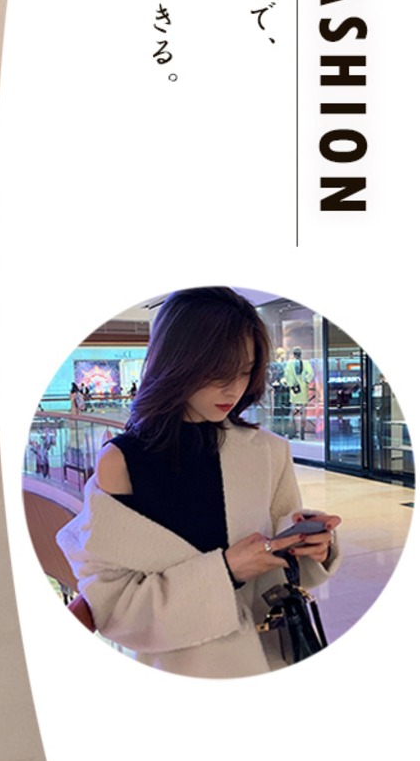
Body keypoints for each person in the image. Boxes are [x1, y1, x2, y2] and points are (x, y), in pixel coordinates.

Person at [56, 287, 340, 678]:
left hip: (272, 659)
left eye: (245, 371)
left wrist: (312, 548)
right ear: (177, 362)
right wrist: (226, 571)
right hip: (179, 668)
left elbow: (283, 571)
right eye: (217, 372)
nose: (233, 389)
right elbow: (114, 602)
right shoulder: (121, 463)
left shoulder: (267, 451)